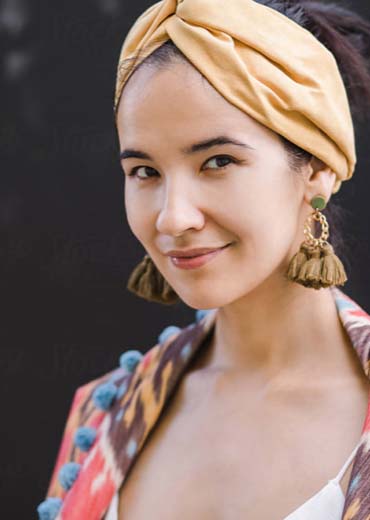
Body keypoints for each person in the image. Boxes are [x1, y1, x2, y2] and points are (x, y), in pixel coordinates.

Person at [37, 0, 370, 519]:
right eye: (145, 171)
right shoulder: (104, 412)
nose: (172, 218)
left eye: (218, 161)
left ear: (319, 167)